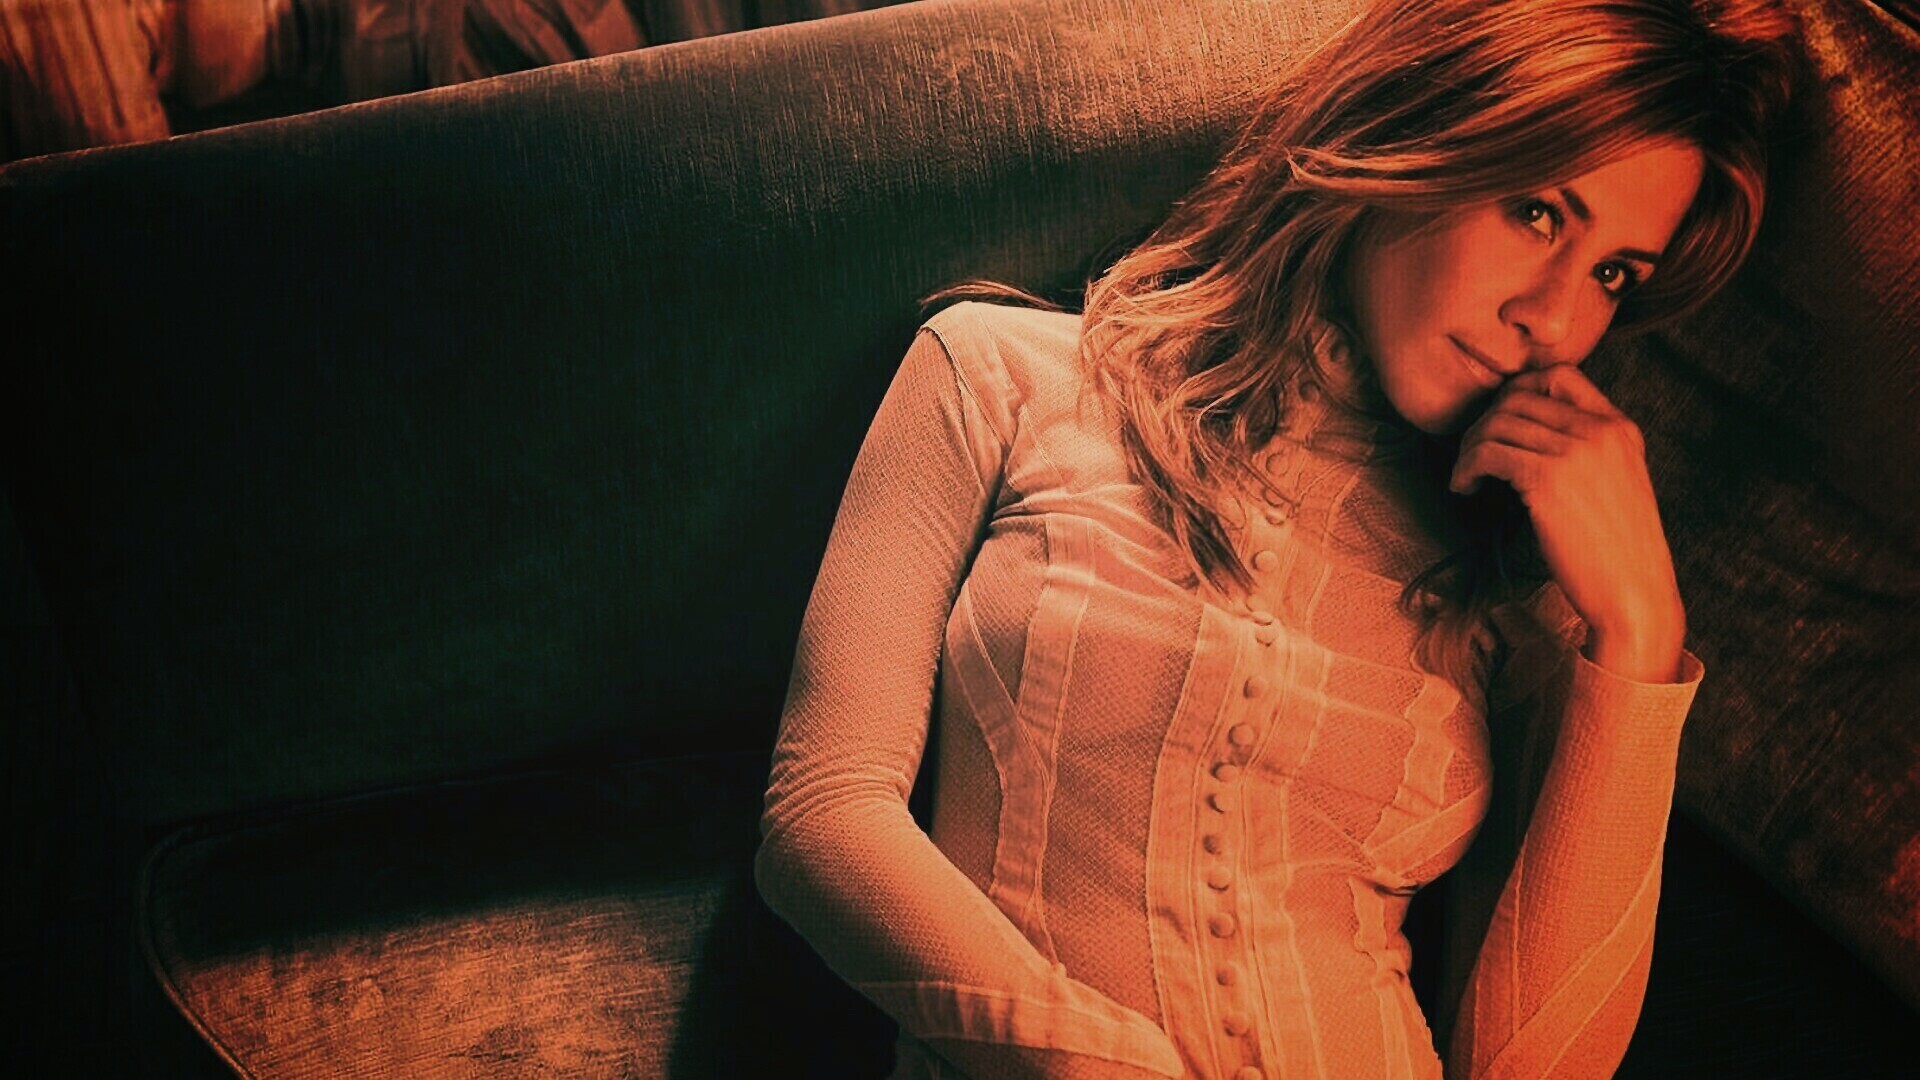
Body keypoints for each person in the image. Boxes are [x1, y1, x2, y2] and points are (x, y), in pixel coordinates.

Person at [753, 0, 1800, 1076]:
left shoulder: (1513, 576)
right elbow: (822, 821)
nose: (1557, 319)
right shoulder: (1000, 375)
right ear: (1407, 133)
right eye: (1537, 213)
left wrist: (1639, 634)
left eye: (1614, 274)